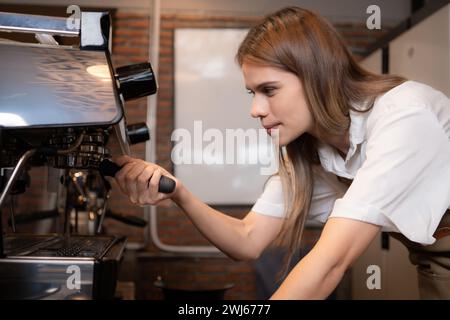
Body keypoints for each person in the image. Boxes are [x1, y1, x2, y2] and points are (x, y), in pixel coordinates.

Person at [113, 7, 450, 299]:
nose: (256, 109)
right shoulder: (314, 153)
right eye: (252, 93)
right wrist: (180, 193)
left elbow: (331, 263)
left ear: (317, 77)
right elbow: (247, 240)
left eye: (269, 90)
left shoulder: (402, 116)